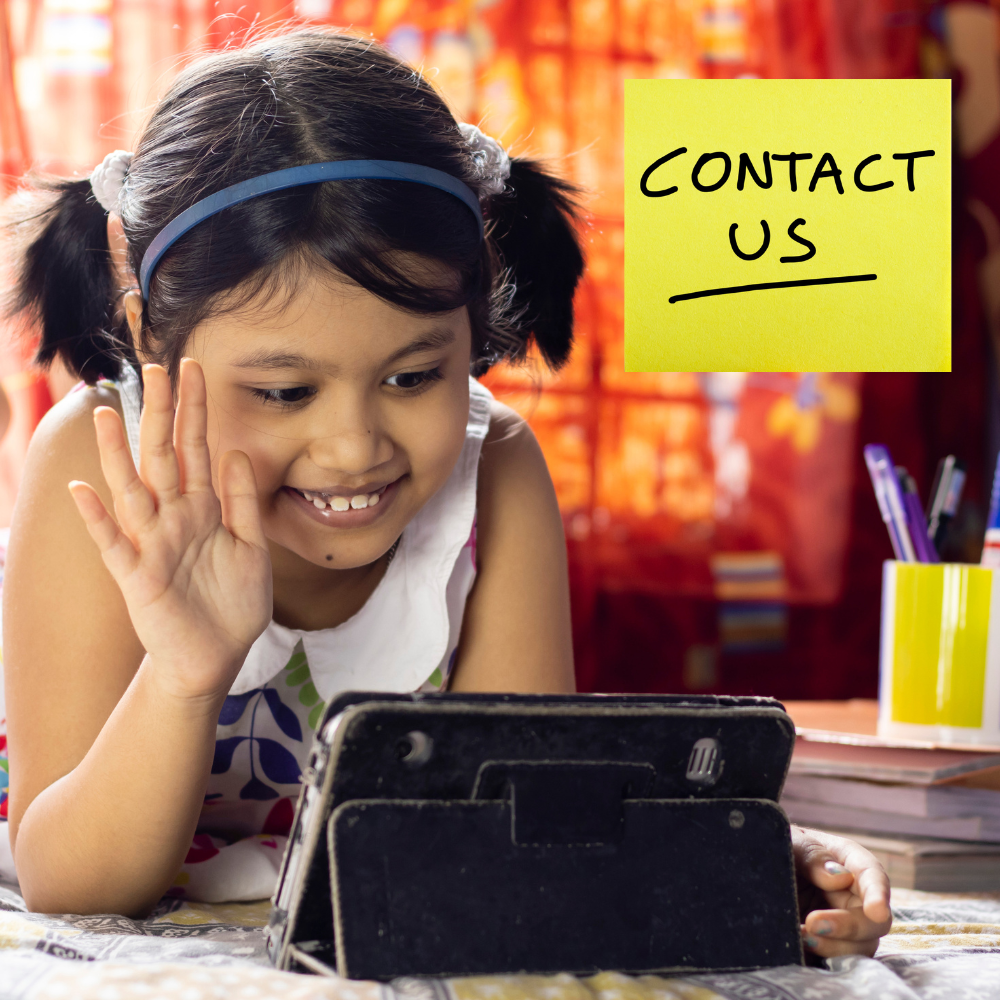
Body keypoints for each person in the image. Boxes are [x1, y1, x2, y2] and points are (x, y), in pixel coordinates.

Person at [2, 29, 890, 958]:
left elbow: (515, 828)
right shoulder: (99, 474)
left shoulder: (495, 472)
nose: (352, 449)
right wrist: (187, 672)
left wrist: (728, 858)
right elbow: (70, 886)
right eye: (283, 393)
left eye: (414, 377)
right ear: (151, 336)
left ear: (475, 321)